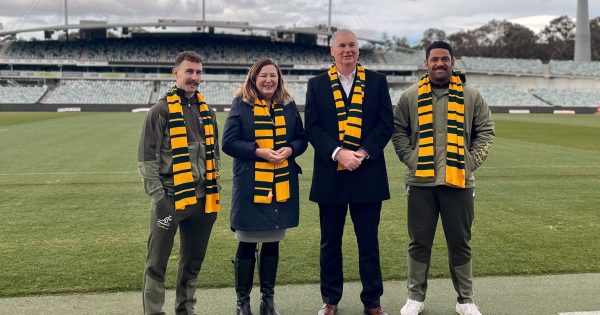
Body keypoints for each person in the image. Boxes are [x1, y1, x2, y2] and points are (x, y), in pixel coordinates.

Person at [391, 41, 495, 315]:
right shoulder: (409, 96)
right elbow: (398, 131)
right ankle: (415, 297)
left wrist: (469, 163)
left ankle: (465, 300)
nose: (440, 64)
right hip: (420, 183)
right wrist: (412, 160)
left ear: (453, 62)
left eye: (445, 59)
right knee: (418, 241)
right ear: (426, 63)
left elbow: (486, 132)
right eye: (434, 59)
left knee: (460, 242)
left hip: (459, 182)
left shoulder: (472, 96)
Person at [304, 29, 393, 315]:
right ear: (331, 51)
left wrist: (363, 152)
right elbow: (313, 128)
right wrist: (338, 153)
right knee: (330, 243)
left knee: (369, 243)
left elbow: (385, 125)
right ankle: (330, 300)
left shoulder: (377, 82)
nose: (347, 50)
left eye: (352, 45)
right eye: (341, 45)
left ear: (358, 50)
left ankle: (373, 302)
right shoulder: (316, 84)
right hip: (331, 174)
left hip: (367, 174)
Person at [222, 58, 308, 315]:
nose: (269, 80)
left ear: (279, 79)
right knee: (247, 241)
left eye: (273, 75)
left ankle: (267, 301)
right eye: (263, 76)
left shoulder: (289, 105)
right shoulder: (241, 104)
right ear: (253, 78)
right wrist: (259, 151)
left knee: (272, 242)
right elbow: (228, 143)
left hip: (280, 183)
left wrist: (290, 149)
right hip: (251, 184)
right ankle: (243, 302)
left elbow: (302, 139)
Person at [138, 50, 220, 315]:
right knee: (157, 263)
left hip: (202, 200)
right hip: (170, 200)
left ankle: (186, 310)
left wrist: (214, 190)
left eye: (198, 72)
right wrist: (160, 200)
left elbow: (214, 156)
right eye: (189, 71)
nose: (194, 77)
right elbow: (147, 161)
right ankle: (154, 312)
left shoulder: (207, 112)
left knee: (192, 262)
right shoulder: (159, 111)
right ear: (176, 73)